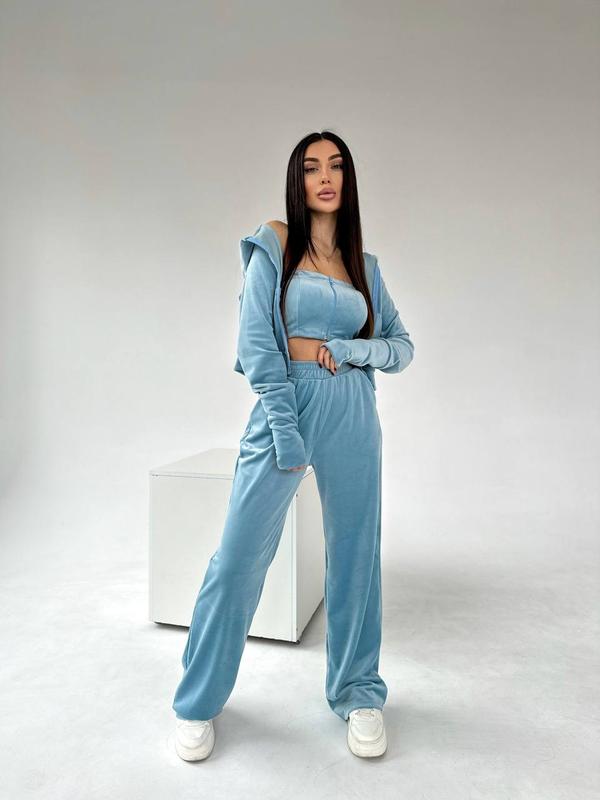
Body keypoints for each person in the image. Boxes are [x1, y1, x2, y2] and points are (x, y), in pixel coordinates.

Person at [172, 130, 415, 761]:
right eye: (311, 168)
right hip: (288, 405)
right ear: (297, 180)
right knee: (239, 556)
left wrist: (352, 350)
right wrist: (283, 426)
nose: (324, 177)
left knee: (356, 556)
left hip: (353, 410)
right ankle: (197, 700)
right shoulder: (274, 244)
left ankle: (358, 692)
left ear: (349, 180)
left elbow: (401, 348)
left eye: (335, 166)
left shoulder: (366, 267)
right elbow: (257, 343)